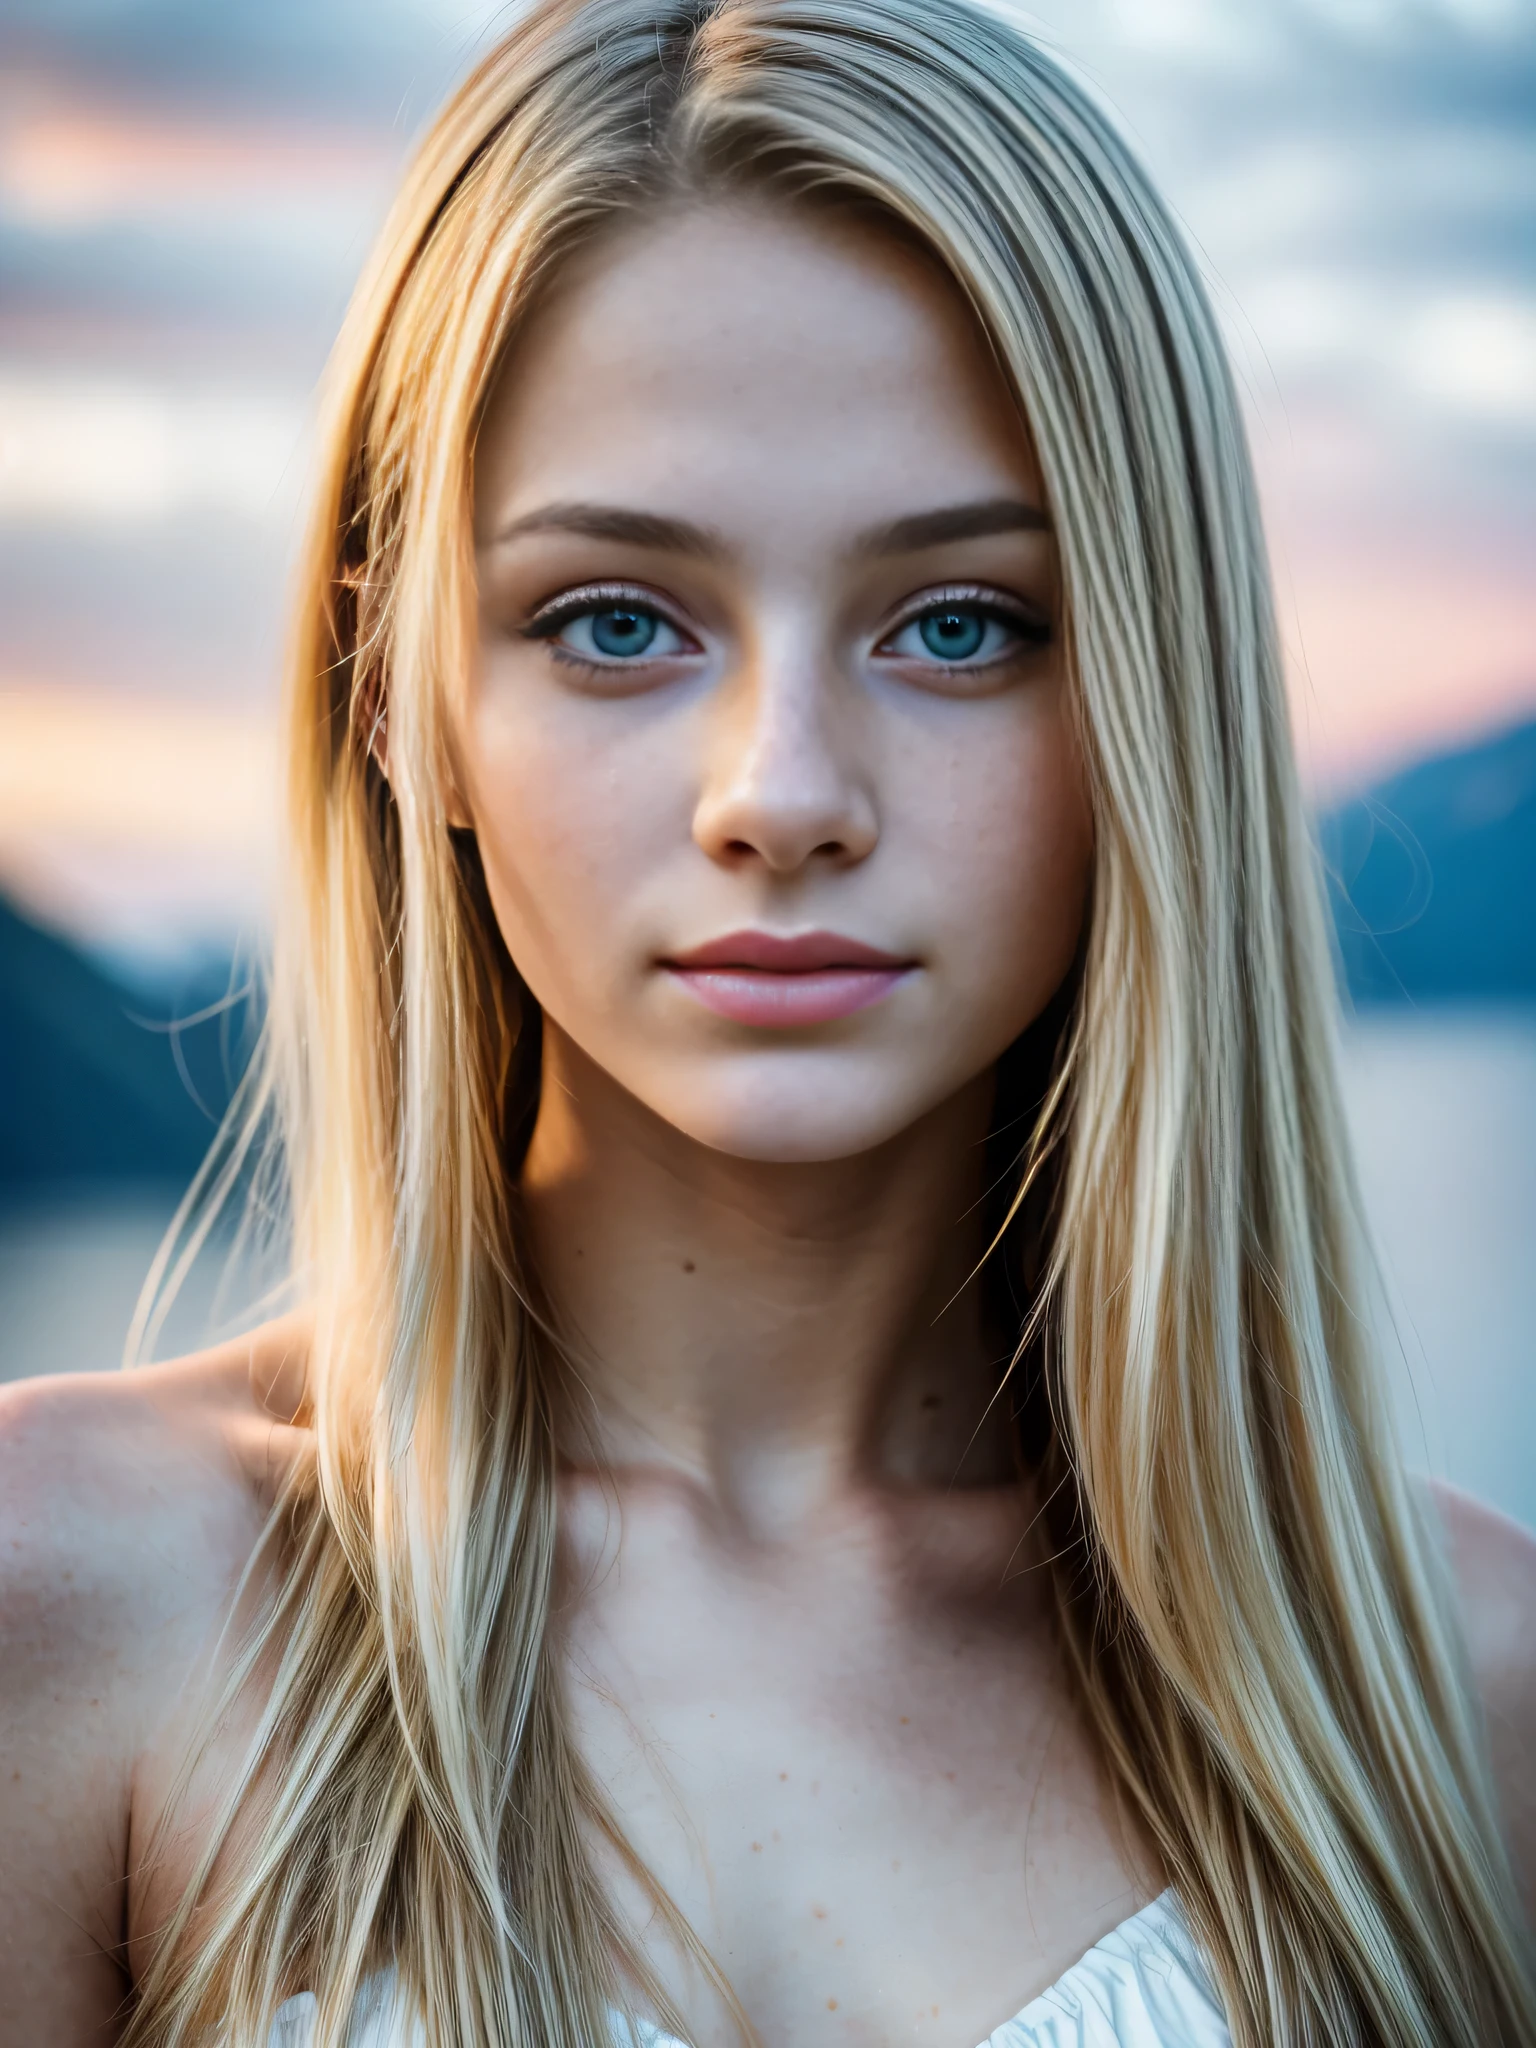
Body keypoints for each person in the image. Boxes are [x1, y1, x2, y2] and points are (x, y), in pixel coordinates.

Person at [2, 0, 1534, 2041]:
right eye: (616, 621)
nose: (784, 790)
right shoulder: (68, 1599)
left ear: (1151, 703)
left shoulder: (1463, 1697)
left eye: (962, 624)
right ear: (400, 698)